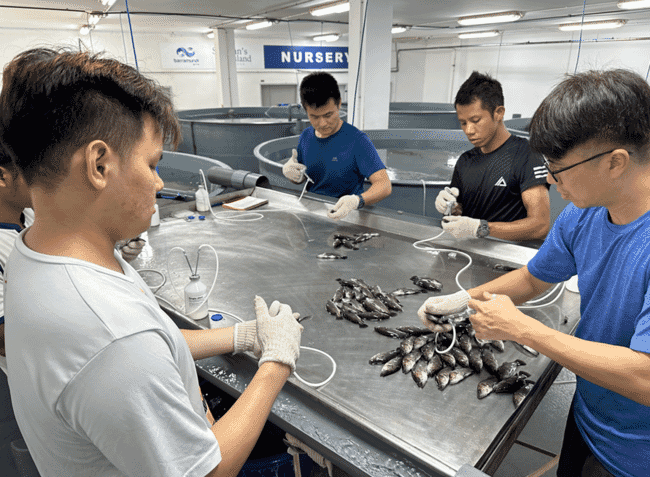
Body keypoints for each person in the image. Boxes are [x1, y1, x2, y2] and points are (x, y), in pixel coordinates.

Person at [0, 47, 303, 477]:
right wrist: (276, 363)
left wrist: (240, 336)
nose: (159, 183)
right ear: (99, 164)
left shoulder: (36, 250)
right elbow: (210, 472)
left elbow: (153, 341)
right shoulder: (109, 334)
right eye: (151, 163)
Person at [419, 69, 650, 476]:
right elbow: (533, 278)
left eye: (559, 171)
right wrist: (464, 301)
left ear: (616, 163)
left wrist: (524, 330)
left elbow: (645, 378)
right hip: (589, 417)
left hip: (637, 453)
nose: (554, 184)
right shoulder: (585, 214)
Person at [434, 71, 550, 241]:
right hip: (468, 253)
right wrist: (450, 207)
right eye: (463, 123)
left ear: (499, 113)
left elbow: (540, 225)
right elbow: (460, 212)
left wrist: (481, 228)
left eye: (475, 120)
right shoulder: (465, 160)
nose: (468, 130)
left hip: (506, 257)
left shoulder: (527, 155)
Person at [282, 71, 391, 219]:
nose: (322, 123)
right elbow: (305, 178)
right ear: (305, 110)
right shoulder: (306, 136)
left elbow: (384, 185)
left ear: (339, 103)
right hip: (313, 213)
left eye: (328, 115)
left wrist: (357, 200)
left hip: (346, 215)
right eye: (314, 116)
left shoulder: (357, 140)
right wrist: (292, 174)